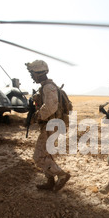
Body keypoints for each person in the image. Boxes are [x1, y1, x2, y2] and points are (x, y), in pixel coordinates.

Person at [26, 60, 71, 191]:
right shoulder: (45, 87)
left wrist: (37, 116)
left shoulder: (48, 87)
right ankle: (50, 181)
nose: (31, 76)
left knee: (39, 156)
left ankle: (61, 175)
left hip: (51, 125)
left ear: (39, 73)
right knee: (47, 154)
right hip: (52, 124)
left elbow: (51, 107)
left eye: (32, 73)